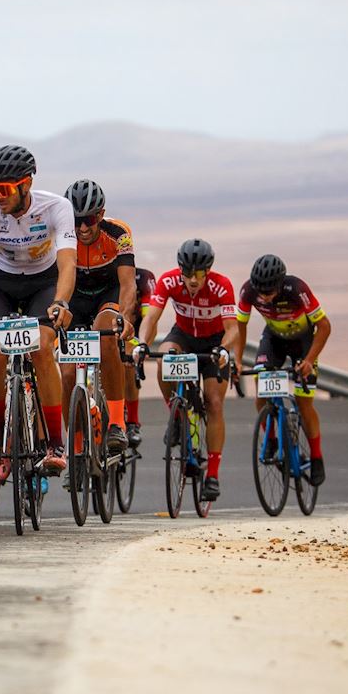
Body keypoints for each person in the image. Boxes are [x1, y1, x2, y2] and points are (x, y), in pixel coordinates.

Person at [0, 144, 76, 478]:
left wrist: (61, 302)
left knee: (40, 347)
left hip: (44, 282)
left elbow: (68, 265)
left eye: (4, 189)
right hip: (1, 283)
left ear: (26, 185)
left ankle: (55, 442)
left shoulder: (57, 207)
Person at [139, 238, 239, 502]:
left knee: (214, 403)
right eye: (187, 273)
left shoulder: (222, 285)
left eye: (198, 273)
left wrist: (223, 349)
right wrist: (142, 345)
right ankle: (175, 412)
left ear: (208, 270)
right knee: (164, 360)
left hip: (214, 342)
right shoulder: (169, 281)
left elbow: (233, 330)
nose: (192, 280)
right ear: (180, 268)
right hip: (183, 335)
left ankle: (213, 475)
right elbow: (151, 317)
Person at [236, 253, 332, 485]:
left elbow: (324, 326)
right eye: (261, 291)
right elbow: (240, 326)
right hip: (274, 340)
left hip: (304, 343)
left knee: (303, 403)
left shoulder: (296, 288)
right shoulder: (248, 291)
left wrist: (309, 360)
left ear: (280, 284)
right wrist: (237, 360)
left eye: (269, 292)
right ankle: (270, 437)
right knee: (261, 382)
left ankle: (317, 457)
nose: (264, 297)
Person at [61, 179, 136, 453]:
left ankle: (117, 423)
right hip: (76, 298)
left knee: (106, 333)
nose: (82, 227)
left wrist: (125, 318)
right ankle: (77, 447)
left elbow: (128, 284)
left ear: (101, 214)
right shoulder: (61, 235)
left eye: (89, 219)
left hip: (108, 293)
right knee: (68, 371)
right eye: (76, 219)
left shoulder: (119, 233)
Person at [122, 265, 159, 447]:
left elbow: (150, 319)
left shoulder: (144, 277)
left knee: (128, 364)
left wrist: (141, 348)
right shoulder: (105, 272)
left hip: (137, 329)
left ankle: (132, 423)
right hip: (112, 323)